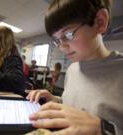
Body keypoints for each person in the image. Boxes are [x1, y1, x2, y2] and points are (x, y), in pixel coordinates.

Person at [26, 0, 123, 135]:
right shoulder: (72, 69)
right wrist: (55, 100)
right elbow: (73, 105)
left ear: (100, 22)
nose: (62, 47)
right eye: (57, 40)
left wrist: (102, 128)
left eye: (68, 35)